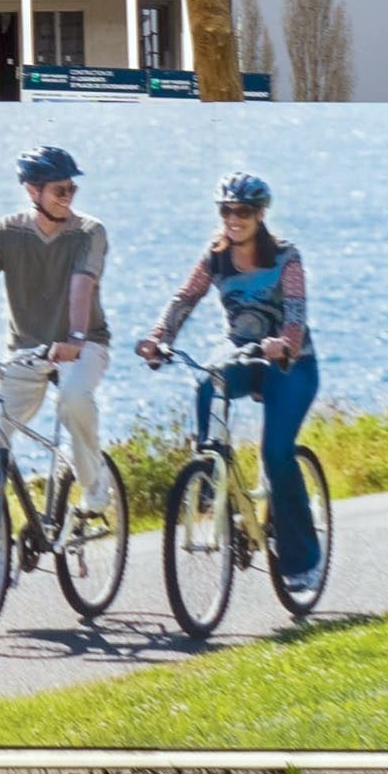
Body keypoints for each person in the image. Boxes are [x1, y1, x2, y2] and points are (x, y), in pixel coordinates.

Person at [140, 169, 323, 597]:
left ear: (260, 215)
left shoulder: (286, 257)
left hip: (291, 365)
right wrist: (158, 338)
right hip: (242, 354)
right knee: (208, 381)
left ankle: (302, 560)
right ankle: (209, 476)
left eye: (241, 211)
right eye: (225, 210)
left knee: (276, 453)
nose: (232, 219)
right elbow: (184, 299)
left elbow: (295, 311)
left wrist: (286, 342)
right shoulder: (215, 256)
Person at [0, 145, 120, 529]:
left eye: (72, 190)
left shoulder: (89, 231)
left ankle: (96, 487)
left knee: (74, 399)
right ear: (33, 192)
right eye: (60, 190)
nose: (69, 198)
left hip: (83, 344)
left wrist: (76, 338)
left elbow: (82, 285)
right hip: (29, 350)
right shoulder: (8, 232)